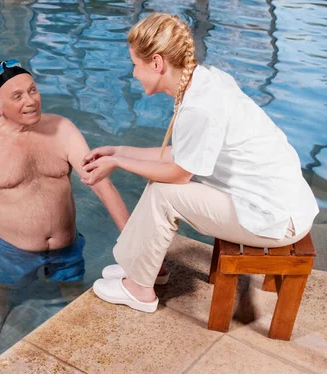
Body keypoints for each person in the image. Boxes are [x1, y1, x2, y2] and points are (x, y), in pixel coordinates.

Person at [80, 13, 319, 313]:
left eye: (135, 65)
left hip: (275, 218)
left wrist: (119, 164)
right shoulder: (204, 80)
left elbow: (179, 173)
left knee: (164, 193)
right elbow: (181, 153)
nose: (134, 74)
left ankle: (140, 290)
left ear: (156, 63)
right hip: (281, 201)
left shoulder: (199, 107)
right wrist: (118, 151)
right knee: (160, 184)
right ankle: (146, 268)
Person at [0, 60, 130, 340]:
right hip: (12, 251)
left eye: (33, 90)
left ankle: (78, 324)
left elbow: (101, 184)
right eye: (17, 96)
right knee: (2, 288)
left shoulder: (61, 129)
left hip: (66, 245)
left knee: (73, 286)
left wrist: (131, 238)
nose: (30, 101)